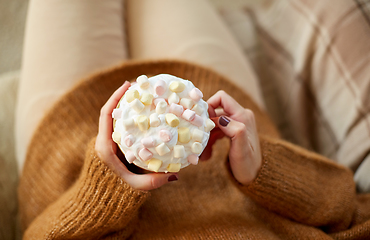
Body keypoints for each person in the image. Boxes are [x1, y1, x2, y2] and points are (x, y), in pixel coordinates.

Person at [16, 0, 370, 239]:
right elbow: (350, 209)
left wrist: (104, 189)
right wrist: (262, 171)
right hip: (213, 103)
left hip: (67, 146)